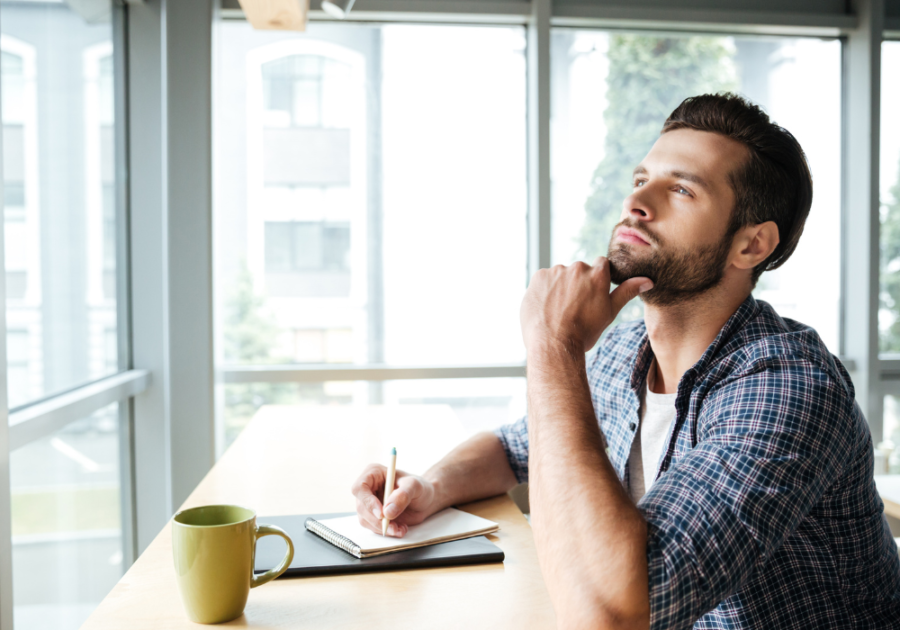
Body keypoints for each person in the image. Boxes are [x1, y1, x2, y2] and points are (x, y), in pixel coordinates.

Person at [350, 93, 900, 629]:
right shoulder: (622, 350)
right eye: (642, 180)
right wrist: (429, 488)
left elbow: (609, 614)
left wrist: (553, 346)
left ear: (751, 246)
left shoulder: (786, 388)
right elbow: (516, 447)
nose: (638, 202)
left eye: (682, 189)